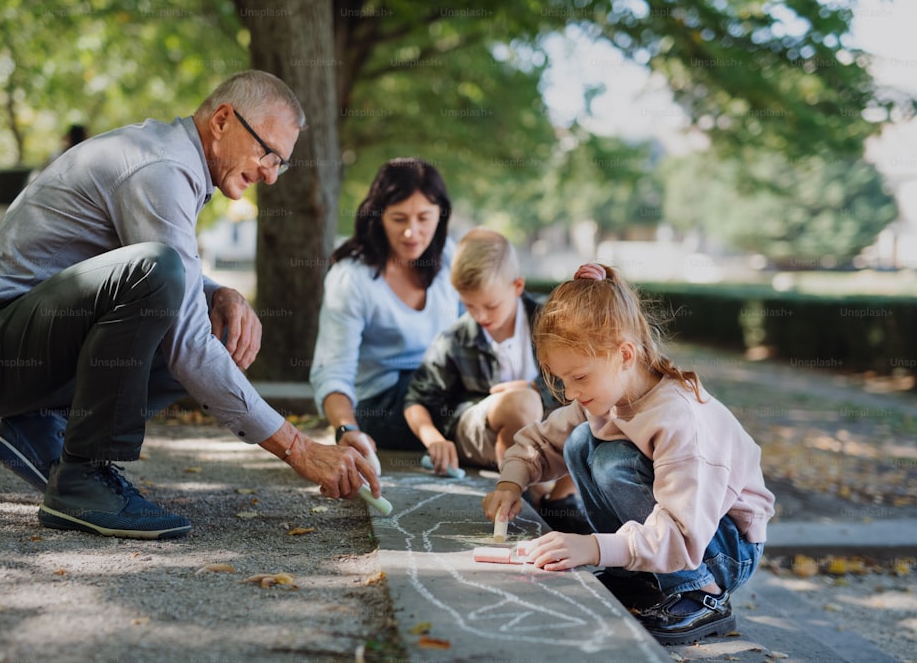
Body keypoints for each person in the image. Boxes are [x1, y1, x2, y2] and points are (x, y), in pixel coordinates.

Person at [0, 70, 379, 541]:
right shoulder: (160, 168)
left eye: (280, 163)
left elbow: (170, 282)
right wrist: (298, 448)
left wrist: (219, 292)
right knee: (160, 278)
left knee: (211, 313)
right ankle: (83, 477)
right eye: (267, 152)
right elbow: (181, 329)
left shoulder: (172, 161)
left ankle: (42, 429)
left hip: (9, 352)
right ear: (223, 120)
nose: (269, 173)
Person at [482, 263, 775, 646]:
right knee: (580, 442)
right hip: (682, 535)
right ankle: (639, 577)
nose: (570, 393)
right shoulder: (608, 395)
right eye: (561, 379)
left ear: (624, 354)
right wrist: (511, 482)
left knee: (611, 461)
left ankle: (698, 594)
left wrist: (593, 547)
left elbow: (681, 533)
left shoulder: (678, 420)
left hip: (721, 548)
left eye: (580, 377)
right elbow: (545, 441)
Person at [403, 228, 586, 531]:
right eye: (470, 306)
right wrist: (434, 438)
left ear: (517, 286)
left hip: (548, 426)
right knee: (520, 403)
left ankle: (562, 500)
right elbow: (416, 400)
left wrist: (534, 388)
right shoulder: (457, 338)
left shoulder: (552, 321)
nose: (481, 315)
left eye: (490, 305)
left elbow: (585, 374)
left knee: (594, 402)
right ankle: (532, 495)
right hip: (484, 432)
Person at [309, 158, 461, 464]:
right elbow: (332, 371)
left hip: (443, 382)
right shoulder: (353, 278)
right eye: (399, 218)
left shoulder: (448, 257)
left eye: (424, 218)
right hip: (382, 400)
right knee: (484, 414)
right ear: (378, 216)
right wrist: (346, 428)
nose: (412, 232)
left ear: (440, 215)